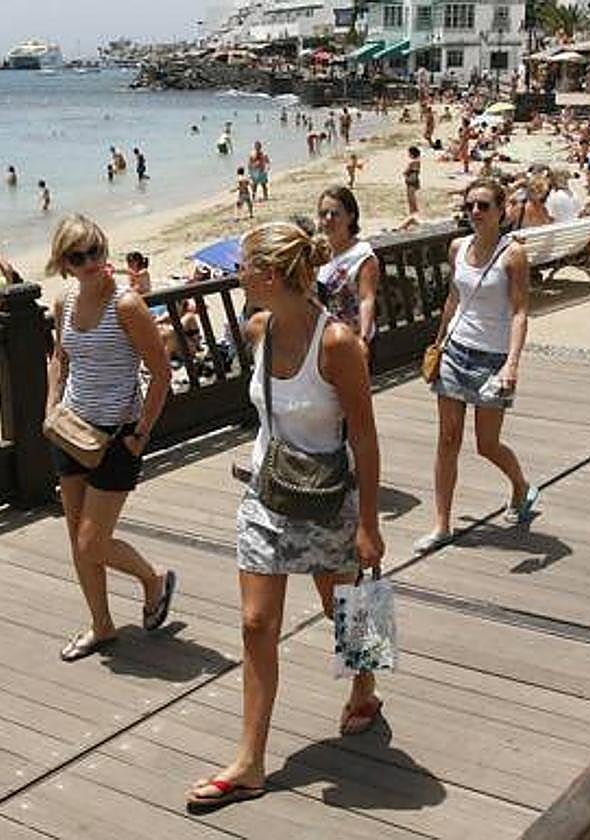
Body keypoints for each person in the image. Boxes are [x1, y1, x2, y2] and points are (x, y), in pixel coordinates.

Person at [186, 221, 384, 809]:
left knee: (341, 605)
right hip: (266, 494)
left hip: (326, 497)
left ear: (269, 276)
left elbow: (367, 440)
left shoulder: (338, 344)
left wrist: (370, 524)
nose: (237, 275)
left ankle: (366, 686)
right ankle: (249, 761)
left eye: (244, 267)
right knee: (254, 624)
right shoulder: (258, 330)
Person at [44, 214, 175, 662]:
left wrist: (140, 434)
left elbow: (161, 374)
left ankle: (152, 578)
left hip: (118, 435)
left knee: (92, 541)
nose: (92, 262)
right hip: (70, 431)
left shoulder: (127, 306)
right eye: (79, 257)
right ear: (65, 264)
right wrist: (52, 405)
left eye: (96, 251)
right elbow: (59, 358)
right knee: (76, 538)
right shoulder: (63, 301)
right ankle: (102, 625)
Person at [414, 179, 539, 555]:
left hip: (492, 357)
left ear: (502, 211)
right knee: (447, 440)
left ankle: (520, 486)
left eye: (484, 206)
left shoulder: (512, 254)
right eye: (470, 206)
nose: (475, 213)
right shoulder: (458, 247)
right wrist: (438, 343)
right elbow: (454, 297)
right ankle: (442, 524)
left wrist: (512, 364)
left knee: (486, 444)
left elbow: (519, 312)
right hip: (456, 351)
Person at [315, 186, 379, 349]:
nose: (328, 219)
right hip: (327, 341)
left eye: (335, 214)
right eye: (323, 214)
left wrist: (363, 340)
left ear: (351, 217)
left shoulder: (361, 254)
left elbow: (367, 298)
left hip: (353, 340)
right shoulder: (319, 253)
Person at [404, 146, 421, 215]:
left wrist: (406, 172)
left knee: (411, 197)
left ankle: (413, 211)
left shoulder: (414, 163)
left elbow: (408, 171)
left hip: (412, 181)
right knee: (412, 196)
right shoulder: (417, 162)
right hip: (413, 181)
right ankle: (413, 210)